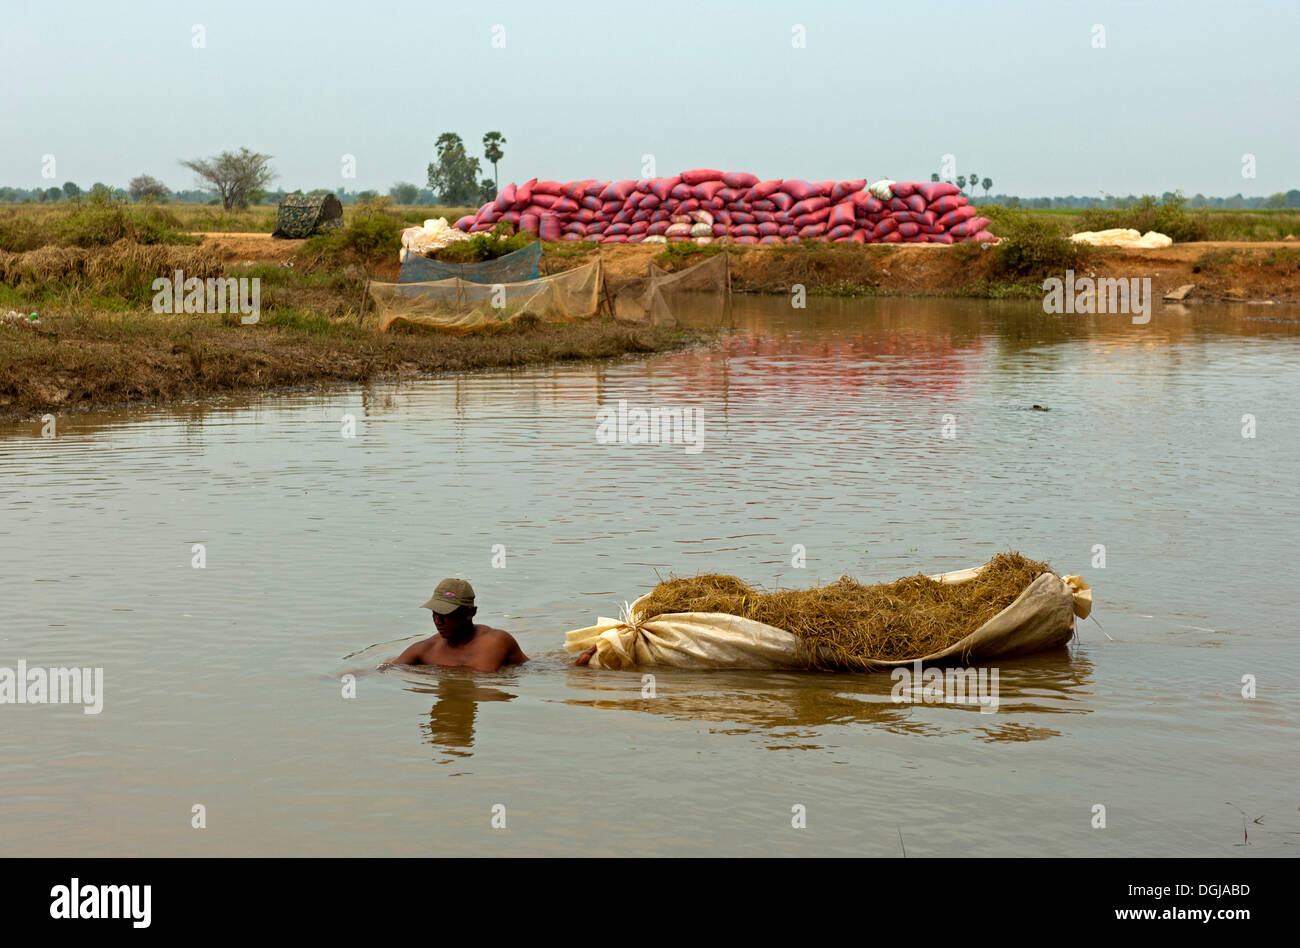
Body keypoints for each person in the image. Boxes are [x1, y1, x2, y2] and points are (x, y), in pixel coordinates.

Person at [388, 579, 528, 673]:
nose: (438, 621)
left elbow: (530, 669)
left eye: (446, 614)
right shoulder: (424, 650)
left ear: (470, 613)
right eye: (435, 614)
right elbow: (385, 670)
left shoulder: (497, 642)